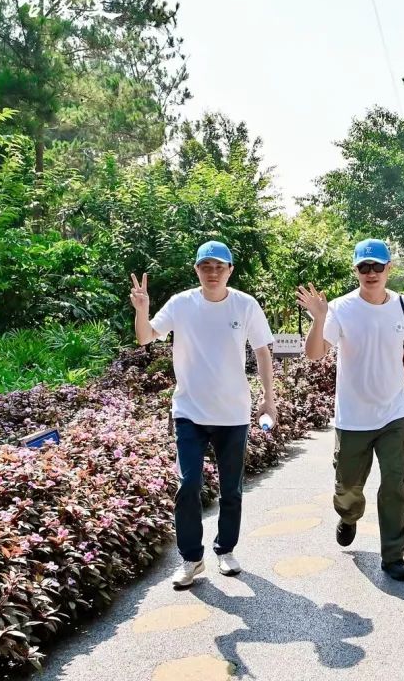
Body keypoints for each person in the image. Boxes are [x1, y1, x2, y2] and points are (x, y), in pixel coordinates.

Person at [130, 240, 277, 589]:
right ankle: (192, 559)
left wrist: (269, 399)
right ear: (197, 270)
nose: (213, 272)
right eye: (206, 266)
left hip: (233, 413)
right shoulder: (181, 303)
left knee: (231, 489)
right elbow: (145, 337)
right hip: (189, 412)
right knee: (188, 484)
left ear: (230, 270)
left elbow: (262, 351)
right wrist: (142, 309)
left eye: (219, 267)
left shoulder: (245, 304)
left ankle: (225, 549)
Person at [296, 238, 404, 581]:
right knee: (349, 489)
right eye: (364, 267)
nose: (371, 273)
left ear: (389, 269)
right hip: (352, 418)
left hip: (393, 415)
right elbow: (315, 354)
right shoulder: (341, 308)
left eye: (377, 266)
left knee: (394, 483)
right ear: (356, 270)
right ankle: (349, 516)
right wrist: (318, 318)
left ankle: (393, 556)